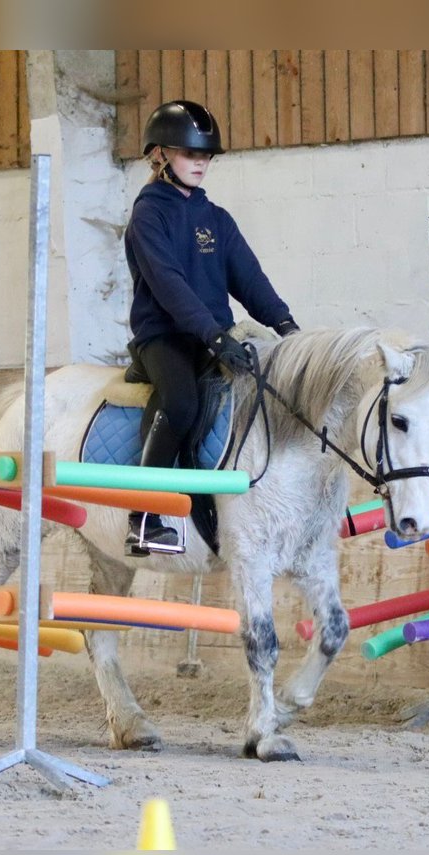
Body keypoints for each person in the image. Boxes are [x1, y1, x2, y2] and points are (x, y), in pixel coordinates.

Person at [122, 99, 300, 556]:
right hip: (165, 337)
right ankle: (142, 517)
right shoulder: (149, 215)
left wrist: (287, 326)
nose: (200, 162)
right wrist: (214, 335)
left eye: (205, 156)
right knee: (181, 403)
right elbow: (169, 286)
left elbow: (249, 279)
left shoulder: (216, 219)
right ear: (160, 154)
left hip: (213, 335)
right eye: (189, 154)